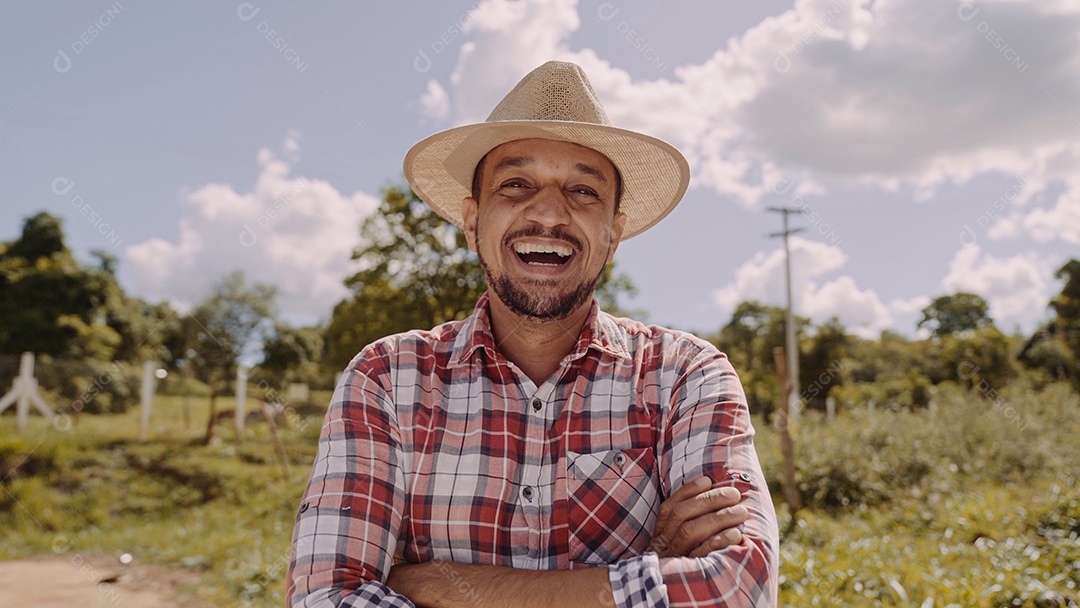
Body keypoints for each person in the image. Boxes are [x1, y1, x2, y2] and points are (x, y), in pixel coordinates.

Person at [287, 60, 778, 607]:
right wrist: (648, 570)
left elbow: (740, 589)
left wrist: (436, 584)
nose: (548, 212)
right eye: (516, 184)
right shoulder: (385, 379)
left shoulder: (684, 376)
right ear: (472, 221)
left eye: (583, 191)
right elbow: (326, 597)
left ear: (613, 234)